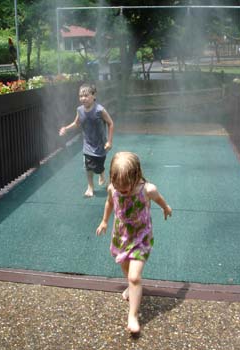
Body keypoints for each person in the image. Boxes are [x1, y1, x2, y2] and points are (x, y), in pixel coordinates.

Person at [96, 151, 172, 334]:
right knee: (125, 266)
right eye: (118, 186)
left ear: (136, 175)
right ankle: (131, 288)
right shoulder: (113, 189)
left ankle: (133, 315)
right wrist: (104, 221)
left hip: (140, 237)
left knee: (134, 276)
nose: (122, 191)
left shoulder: (147, 190)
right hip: (121, 235)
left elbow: (159, 199)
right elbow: (109, 204)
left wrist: (166, 208)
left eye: (126, 188)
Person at [59, 83, 114, 197]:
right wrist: (66, 129)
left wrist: (109, 141)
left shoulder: (100, 110)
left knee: (98, 167)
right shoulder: (79, 110)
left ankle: (101, 172)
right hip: (87, 145)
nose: (83, 98)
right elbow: (76, 123)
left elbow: (110, 123)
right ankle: (90, 187)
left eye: (86, 95)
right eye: (80, 96)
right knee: (88, 167)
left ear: (94, 96)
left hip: (101, 145)